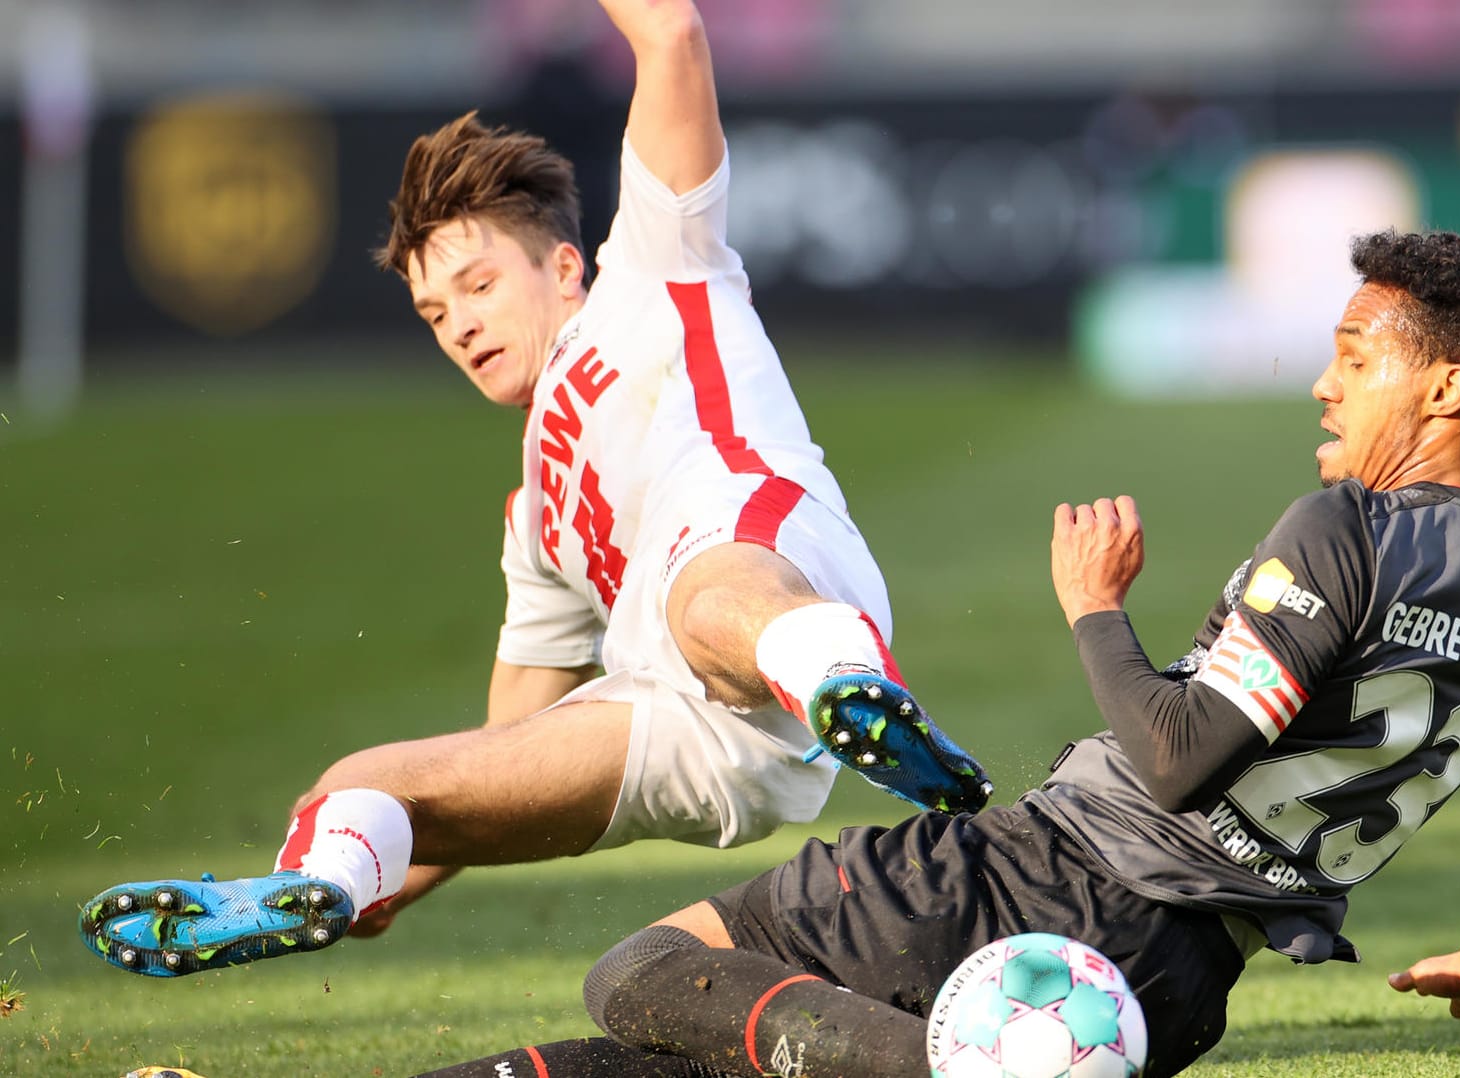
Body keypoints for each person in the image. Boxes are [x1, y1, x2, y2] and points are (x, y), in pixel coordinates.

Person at [408, 229, 1460, 1078]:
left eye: (1356, 358)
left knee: (643, 974)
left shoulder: (1348, 530)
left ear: (1446, 386)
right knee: (712, 1054)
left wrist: (1094, 607)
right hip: (1173, 986)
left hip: (1036, 880)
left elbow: (1177, 757)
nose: (1325, 382)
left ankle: (964, 1072)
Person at [78, 0, 990, 980]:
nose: (458, 324)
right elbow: (508, 740)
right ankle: (326, 884)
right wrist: (399, 865)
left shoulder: (656, 267)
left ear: (561, 267)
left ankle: (852, 689)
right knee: (361, 782)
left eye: (476, 285)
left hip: (766, 572)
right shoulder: (536, 521)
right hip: (688, 730)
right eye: (434, 310)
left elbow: (672, 33)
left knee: (700, 597)